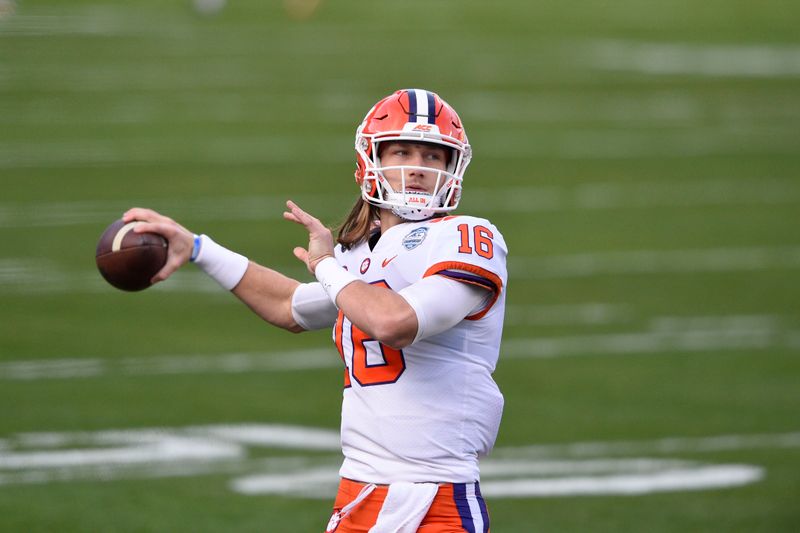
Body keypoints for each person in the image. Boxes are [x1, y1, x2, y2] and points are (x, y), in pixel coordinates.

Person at [124, 88, 508, 532]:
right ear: (371, 162)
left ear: (452, 168)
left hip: (434, 500)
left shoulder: (467, 238)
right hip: (358, 494)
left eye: (432, 156)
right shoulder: (360, 253)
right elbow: (289, 306)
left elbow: (395, 322)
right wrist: (198, 248)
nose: (417, 168)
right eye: (401, 151)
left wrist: (326, 264)